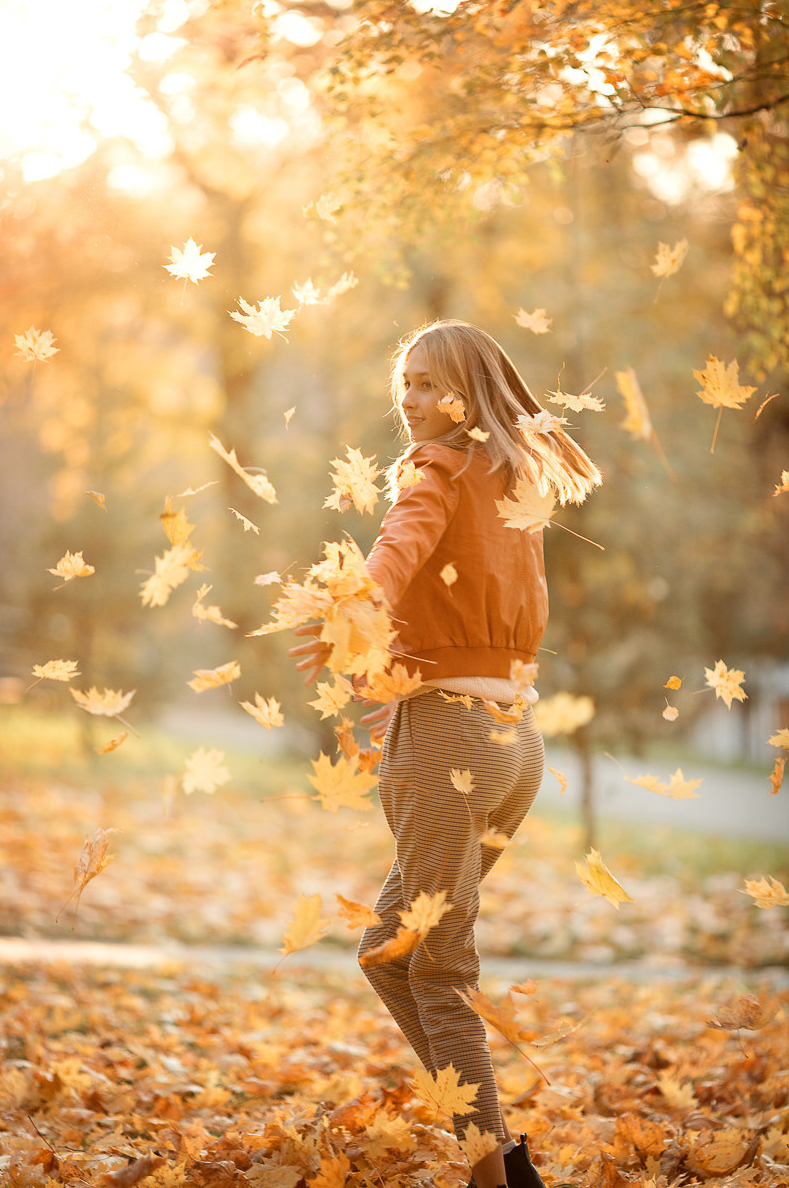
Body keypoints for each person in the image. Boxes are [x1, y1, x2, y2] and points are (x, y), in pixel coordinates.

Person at [291, 320, 602, 1188]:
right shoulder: (510, 479)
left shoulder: (437, 472)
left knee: (436, 965)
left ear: (471, 391)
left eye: (432, 383)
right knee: (390, 949)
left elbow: (401, 547)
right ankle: (494, 1146)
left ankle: (491, 1173)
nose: (412, 399)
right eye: (407, 382)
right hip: (514, 748)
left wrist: (359, 602)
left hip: (449, 743)